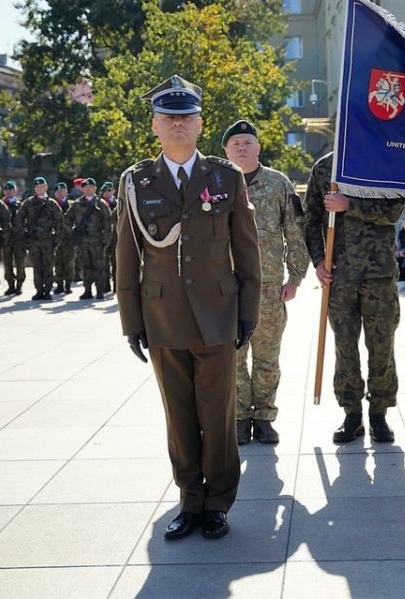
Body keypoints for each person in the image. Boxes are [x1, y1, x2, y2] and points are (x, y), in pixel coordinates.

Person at [115, 75, 260, 540]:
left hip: (218, 314)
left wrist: (248, 312)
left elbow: (247, 249)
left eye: (185, 117)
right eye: (168, 118)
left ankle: (218, 502)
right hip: (163, 316)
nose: (177, 124)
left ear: (199, 125)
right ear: (154, 126)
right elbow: (126, 253)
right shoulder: (137, 182)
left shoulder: (226, 177)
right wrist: (131, 321)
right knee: (178, 415)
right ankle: (189, 499)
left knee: (217, 415)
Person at [303, 152, 405, 444]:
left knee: (382, 346)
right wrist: (319, 261)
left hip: (379, 275)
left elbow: (394, 210)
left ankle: (379, 414)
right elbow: (311, 220)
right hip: (340, 276)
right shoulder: (324, 167)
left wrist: (351, 205)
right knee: (344, 346)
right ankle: (352, 414)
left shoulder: (382, 162)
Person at [222, 119, 309, 446]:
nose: (242, 148)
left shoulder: (278, 183)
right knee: (233, 356)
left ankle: (265, 417)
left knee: (268, 357)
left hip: (270, 287)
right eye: (236, 145)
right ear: (227, 151)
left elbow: (295, 232)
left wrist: (295, 277)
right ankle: (241, 417)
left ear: (258, 147)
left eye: (247, 143)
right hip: (227, 289)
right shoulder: (217, 183)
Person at [66, 178, 111, 300]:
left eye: (91, 186)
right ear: (82, 188)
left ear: (95, 188)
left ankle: (100, 290)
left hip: (97, 241)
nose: (88, 188)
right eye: (86, 186)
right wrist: (73, 233)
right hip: (82, 242)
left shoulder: (101, 204)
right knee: (85, 266)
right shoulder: (76, 204)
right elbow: (67, 219)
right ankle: (87, 290)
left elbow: (108, 222)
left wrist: (106, 240)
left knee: (99, 266)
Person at [20, 177, 64, 300]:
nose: (40, 188)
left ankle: (47, 290)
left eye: (42, 186)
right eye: (37, 187)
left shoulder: (52, 204)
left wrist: (56, 239)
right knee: (37, 266)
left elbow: (60, 223)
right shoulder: (28, 203)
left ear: (46, 187)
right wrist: (24, 235)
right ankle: (39, 290)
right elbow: (19, 219)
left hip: (48, 240)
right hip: (33, 240)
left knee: (48, 265)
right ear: (34, 189)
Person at [1, 181, 27, 295]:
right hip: (6, 239)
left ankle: (19, 284)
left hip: (19, 238)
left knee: (20, 262)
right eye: (7, 190)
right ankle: (10, 285)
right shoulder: (0, 205)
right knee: (7, 263)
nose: (9, 191)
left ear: (15, 191)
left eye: (11, 189)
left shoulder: (22, 205)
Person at [52, 182, 75, 294]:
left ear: (67, 192)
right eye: (58, 191)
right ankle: (59, 284)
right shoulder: (51, 204)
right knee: (57, 262)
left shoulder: (73, 205)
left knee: (69, 262)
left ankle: (68, 284)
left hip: (69, 238)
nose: (61, 193)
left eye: (63, 190)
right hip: (55, 237)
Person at [99, 181, 118, 293]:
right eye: (105, 191)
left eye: (110, 190)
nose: (107, 193)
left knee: (116, 262)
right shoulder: (99, 204)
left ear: (114, 191)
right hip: (103, 236)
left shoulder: (118, 203)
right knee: (104, 262)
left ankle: (116, 285)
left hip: (116, 236)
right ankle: (105, 285)